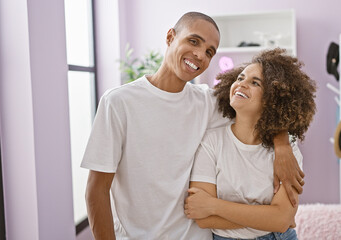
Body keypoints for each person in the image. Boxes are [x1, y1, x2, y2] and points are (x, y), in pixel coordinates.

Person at [82, 12, 304, 239]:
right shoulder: (119, 102)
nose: (199, 55)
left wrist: (282, 145)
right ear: (170, 37)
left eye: (209, 52)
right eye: (193, 41)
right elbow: (96, 190)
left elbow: (264, 110)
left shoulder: (208, 102)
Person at [185, 48, 317, 240]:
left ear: (272, 99)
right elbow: (203, 218)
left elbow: (281, 221)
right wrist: (268, 216)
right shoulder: (211, 142)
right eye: (240, 78)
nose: (241, 84)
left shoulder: (287, 151)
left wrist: (214, 206)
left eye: (255, 83)